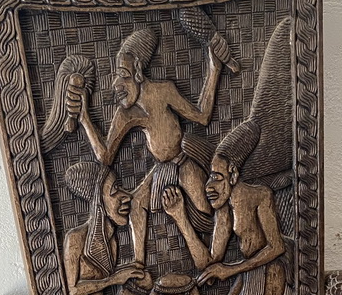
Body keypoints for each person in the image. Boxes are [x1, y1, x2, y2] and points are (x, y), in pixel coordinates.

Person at [65, 27, 223, 267]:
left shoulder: (165, 91)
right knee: (137, 202)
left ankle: (216, 253)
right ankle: (139, 264)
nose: (117, 83)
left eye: (122, 75)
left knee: (207, 211)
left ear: (138, 71)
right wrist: (85, 119)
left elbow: (202, 117)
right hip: (160, 169)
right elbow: (105, 157)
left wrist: (214, 70)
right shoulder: (125, 113)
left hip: (183, 164)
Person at [187, 120, 297, 295]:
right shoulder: (223, 211)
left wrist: (231, 270)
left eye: (217, 177)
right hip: (248, 268)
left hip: (270, 264)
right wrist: (180, 219)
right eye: (209, 177)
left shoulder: (260, 196)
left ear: (234, 175)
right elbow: (212, 259)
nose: (210, 185)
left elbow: (275, 247)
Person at [62, 162, 144, 295]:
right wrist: (112, 280)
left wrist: (120, 276)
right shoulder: (75, 239)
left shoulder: (112, 241)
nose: (126, 196)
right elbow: (70, 292)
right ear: (99, 201)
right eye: (115, 190)